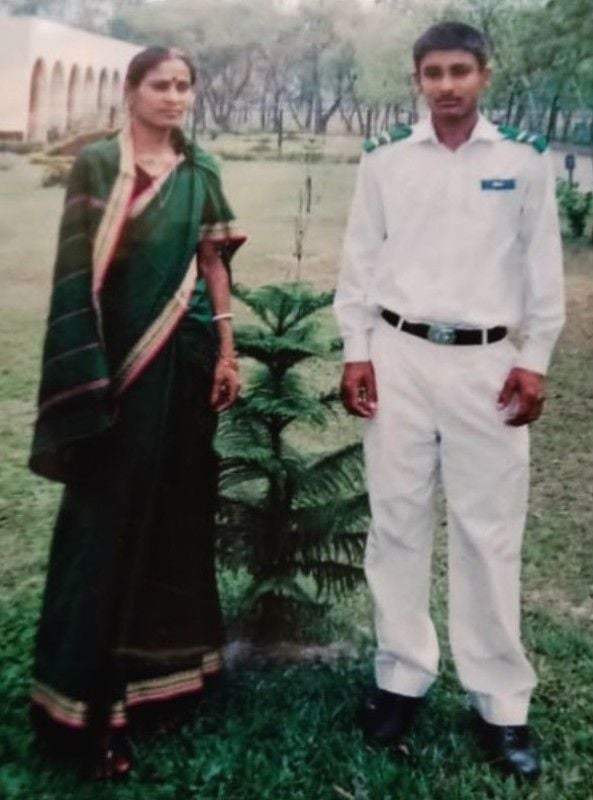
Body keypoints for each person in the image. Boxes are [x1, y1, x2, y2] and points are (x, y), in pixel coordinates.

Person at [334, 22, 564, 780]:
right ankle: (400, 677)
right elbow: (360, 260)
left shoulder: (523, 158)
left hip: (485, 365)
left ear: (483, 74)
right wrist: (357, 352)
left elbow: (541, 271)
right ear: (416, 79)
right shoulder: (386, 159)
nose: (446, 85)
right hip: (398, 357)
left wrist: (531, 361)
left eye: (459, 70)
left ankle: (501, 703)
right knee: (395, 523)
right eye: (432, 72)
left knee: (486, 533)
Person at [29, 46, 246, 779]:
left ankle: (169, 682)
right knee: (104, 526)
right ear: (130, 91)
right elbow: (76, 272)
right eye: (161, 85)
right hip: (114, 372)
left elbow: (214, 261)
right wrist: (88, 375)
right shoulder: (99, 165)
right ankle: (88, 704)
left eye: (185, 85)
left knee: (174, 515)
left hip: (183, 371)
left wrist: (225, 350)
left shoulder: (201, 169)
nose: (175, 97)